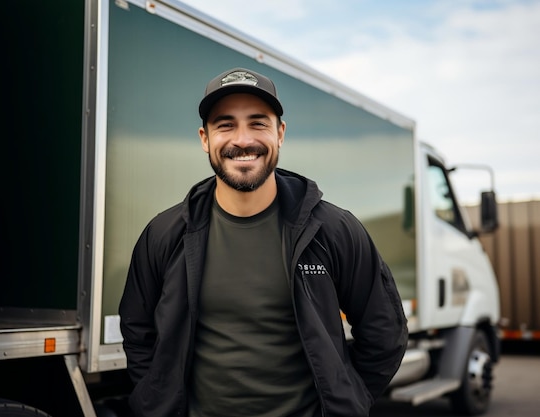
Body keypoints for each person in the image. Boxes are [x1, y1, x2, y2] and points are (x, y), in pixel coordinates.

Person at [119, 67, 408, 417]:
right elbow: (138, 331)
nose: (242, 140)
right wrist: (156, 401)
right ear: (204, 138)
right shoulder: (164, 234)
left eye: (258, 123)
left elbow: (384, 330)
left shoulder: (333, 229)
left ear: (280, 133)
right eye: (225, 125)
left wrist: (348, 400)